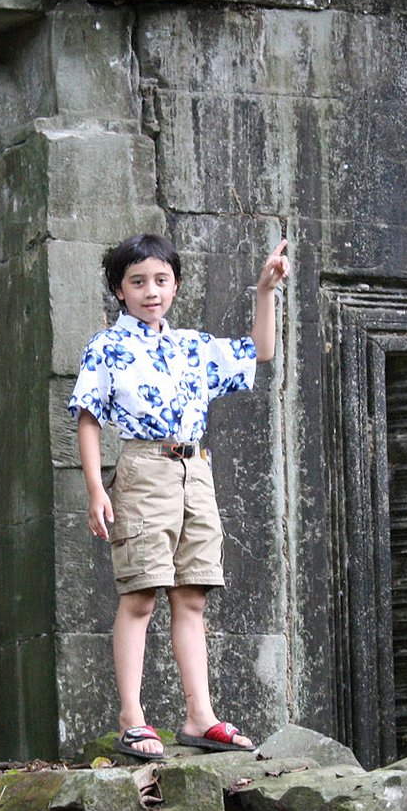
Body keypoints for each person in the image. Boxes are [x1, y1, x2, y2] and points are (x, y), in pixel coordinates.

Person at [68, 233, 291, 760]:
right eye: (138, 282)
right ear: (119, 291)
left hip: (196, 470)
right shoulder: (108, 346)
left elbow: (260, 351)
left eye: (161, 280)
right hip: (143, 467)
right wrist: (97, 487)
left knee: (192, 595)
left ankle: (200, 716)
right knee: (141, 594)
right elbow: (87, 415)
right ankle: (132, 717)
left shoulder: (192, 345)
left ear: (176, 285)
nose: (151, 291)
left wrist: (265, 292)